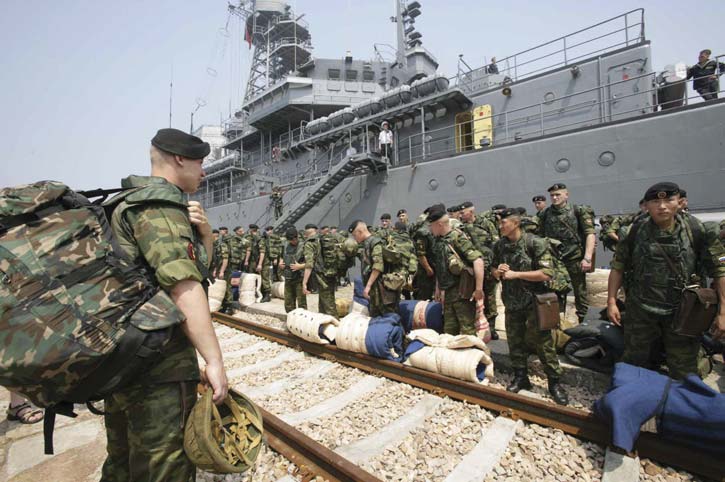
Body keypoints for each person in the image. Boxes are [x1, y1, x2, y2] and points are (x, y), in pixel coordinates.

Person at [102, 128, 228, 481]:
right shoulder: (159, 207)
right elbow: (184, 287)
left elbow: (188, 271)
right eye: (200, 162)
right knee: (164, 466)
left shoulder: (126, 202)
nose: (204, 171)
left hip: (123, 357)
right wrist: (214, 360)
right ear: (179, 159)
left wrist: (205, 236)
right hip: (157, 366)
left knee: (122, 462)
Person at [607, 182, 725, 380]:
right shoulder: (632, 232)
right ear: (646, 205)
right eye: (655, 202)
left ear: (679, 202)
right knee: (634, 361)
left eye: (669, 200)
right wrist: (611, 301)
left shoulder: (698, 231)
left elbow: (719, 270)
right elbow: (618, 267)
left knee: (684, 369)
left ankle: (682, 397)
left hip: (683, 311)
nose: (662, 206)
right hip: (641, 311)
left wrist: (723, 311)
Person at [492, 208, 568, 405]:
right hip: (512, 301)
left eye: (503, 223)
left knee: (544, 343)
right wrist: (498, 271)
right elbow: (493, 269)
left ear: (516, 223)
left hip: (535, 302)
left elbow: (546, 273)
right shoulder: (500, 245)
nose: (500, 226)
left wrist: (516, 274)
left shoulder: (535, 243)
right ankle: (521, 377)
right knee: (515, 341)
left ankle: (554, 383)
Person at [538, 183, 596, 322]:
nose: (554, 198)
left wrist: (587, 258)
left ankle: (584, 322)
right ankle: (558, 324)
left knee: (580, 292)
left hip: (575, 259)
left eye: (558, 194)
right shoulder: (545, 214)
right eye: (552, 195)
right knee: (555, 292)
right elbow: (540, 236)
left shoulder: (578, 211)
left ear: (566, 195)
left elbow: (590, 234)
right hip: (555, 261)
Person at [428, 204, 485, 335]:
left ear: (439, 224)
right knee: (449, 332)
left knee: (467, 331)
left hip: (462, 292)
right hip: (448, 294)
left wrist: (478, 289)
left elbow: (478, 261)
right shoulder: (439, 241)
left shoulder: (457, 237)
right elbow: (440, 266)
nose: (430, 229)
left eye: (431, 225)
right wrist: (438, 287)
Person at [460, 201, 500, 339]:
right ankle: (474, 326)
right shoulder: (461, 228)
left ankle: (491, 328)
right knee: (471, 297)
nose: (461, 215)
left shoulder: (486, 223)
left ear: (471, 212)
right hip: (472, 269)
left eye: (463, 212)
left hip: (488, 267)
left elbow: (496, 243)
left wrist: (494, 264)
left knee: (490, 298)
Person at [349, 220, 404, 316]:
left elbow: (378, 267)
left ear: (360, 232)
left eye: (354, 235)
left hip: (383, 290)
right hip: (375, 290)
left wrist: (368, 286)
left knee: (388, 317)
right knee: (376, 316)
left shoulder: (375, 243)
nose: (354, 238)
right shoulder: (366, 243)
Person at [294, 224, 337, 317]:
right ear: (316, 230)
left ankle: (335, 323)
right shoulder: (324, 238)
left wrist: (304, 283)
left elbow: (309, 264)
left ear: (306, 233)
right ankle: (324, 322)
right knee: (325, 302)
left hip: (322, 278)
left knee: (328, 306)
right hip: (332, 273)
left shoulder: (310, 243)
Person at [222, 226, 250, 313]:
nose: (243, 232)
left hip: (232, 264)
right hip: (227, 263)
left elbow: (248, 245)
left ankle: (229, 304)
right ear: (236, 232)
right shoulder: (230, 239)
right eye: (241, 231)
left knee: (228, 283)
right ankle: (226, 303)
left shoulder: (241, 240)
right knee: (226, 283)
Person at [281, 226, 307, 312]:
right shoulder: (285, 245)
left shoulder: (304, 245)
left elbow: (312, 262)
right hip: (288, 277)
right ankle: (290, 316)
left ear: (297, 237)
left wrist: (300, 266)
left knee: (301, 302)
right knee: (288, 301)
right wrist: (281, 263)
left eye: (294, 240)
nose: (292, 242)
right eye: (290, 240)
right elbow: (281, 256)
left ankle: (302, 318)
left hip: (299, 277)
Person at [412, 211, 437, 301]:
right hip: (427, 270)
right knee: (424, 295)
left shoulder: (433, 228)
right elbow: (421, 254)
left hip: (435, 267)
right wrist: (428, 269)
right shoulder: (423, 232)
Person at [393, 221, 418, 300]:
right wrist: (412, 273)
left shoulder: (391, 239)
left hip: (391, 271)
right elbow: (413, 260)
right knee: (405, 293)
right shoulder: (410, 242)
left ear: (396, 229)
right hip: (404, 272)